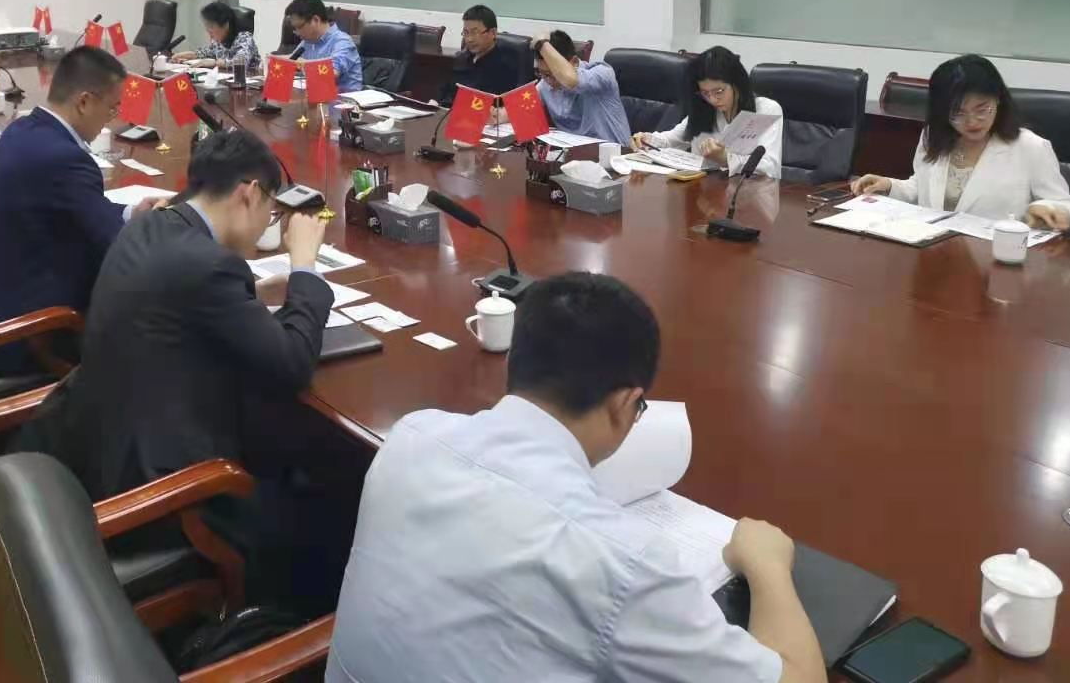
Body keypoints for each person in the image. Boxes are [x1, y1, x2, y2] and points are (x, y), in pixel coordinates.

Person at [327, 272, 824, 683]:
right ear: (627, 404)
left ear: (512, 363)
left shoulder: (412, 436)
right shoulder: (624, 561)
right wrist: (767, 565)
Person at [21, 129, 333, 500]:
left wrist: (252, 294)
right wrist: (304, 265)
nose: (268, 222)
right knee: (318, 479)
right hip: (164, 489)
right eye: (272, 212)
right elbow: (292, 365)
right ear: (249, 194)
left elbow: (178, 296)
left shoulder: (148, 224)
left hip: (100, 449)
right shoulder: (210, 266)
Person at [0, 46, 155, 376]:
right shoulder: (66, 159)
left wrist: (129, 213)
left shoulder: (21, 130)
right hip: (30, 337)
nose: (113, 117)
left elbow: (75, 209)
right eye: (112, 108)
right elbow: (118, 249)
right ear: (84, 102)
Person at [851, 54, 1070, 229]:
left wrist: (1048, 209)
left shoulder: (1030, 147)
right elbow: (920, 187)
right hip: (933, 252)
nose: (971, 122)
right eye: (957, 113)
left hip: (995, 258)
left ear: (998, 100)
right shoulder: (934, 135)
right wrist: (889, 186)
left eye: (982, 110)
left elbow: (1066, 204)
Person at [633, 45, 784, 179]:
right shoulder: (704, 108)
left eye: (719, 91)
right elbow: (670, 140)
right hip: (702, 192)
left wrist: (726, 158)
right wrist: (647, 139)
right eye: (705, 93)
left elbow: (770, 167)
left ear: (737, 84)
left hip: (747, 194)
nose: (712, 99)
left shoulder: (765, 110)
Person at [533, 30, 632, 144]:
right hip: (572, 152)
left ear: (575, 62)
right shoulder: (545, 85)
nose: (549, 81)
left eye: (553, 73)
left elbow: (571, 80)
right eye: (543, 74)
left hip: (613, 152)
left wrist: (543, 44)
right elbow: (519, 112)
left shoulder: (602, 74)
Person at [439, 4, 527, 104]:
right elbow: (444, 93)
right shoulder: (460, 59)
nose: (469, 39)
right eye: (466, 33)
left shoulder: (506, 65)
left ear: (493, 33)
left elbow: (499, 104)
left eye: (475, 33)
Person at [287, 0, 362, 91]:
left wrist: (303, 65)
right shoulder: (307, 42)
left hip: (343, 98)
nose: (297, 33)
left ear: (315, 20)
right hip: (314, 96)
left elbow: (330, 74)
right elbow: (291, 64)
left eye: (299, 27)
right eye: (294, 28)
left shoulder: (343, 42)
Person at [173, 1, 261, 70]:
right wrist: (187, 56)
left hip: (249, 84)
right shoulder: (219, 41)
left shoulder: (244, 38)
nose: (208, 31)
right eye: (207, 26)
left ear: (225, 25)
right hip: (226, 81)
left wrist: (215, 63)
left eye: (211, 27)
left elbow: (241, 62)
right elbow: (206, 53)